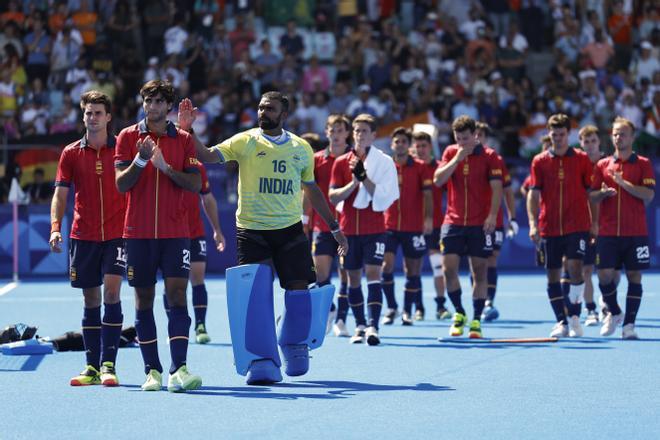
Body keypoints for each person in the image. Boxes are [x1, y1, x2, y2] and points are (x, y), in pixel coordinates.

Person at [186, 91, 348, 385]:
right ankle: (262, 359)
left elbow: (313, 191)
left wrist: (335, 228)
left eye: (269, 109)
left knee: (299, 292)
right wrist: (188, 130)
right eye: (260, 107)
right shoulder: (245, 141)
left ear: (283, 114)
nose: (263, 112)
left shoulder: (301, 148)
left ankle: (293, 343)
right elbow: (206, 155)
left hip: (289, 230)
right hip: (252, 230)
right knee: (257, 296)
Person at [114, 79, 203, 393]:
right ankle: (152, 370)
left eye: (158, 102)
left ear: (169, 106)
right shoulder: (127, 136)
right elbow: (121, 185)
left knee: (178, 297)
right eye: (147, 101)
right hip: (137, 234)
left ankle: (179, 369)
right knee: (143, 301)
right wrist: (141, 160)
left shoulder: (184, 139)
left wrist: (164, 167)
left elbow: (195, 185)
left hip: (176, 233)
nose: (151, 107)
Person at [49, 90, 126, 387]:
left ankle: (109, 365)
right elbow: (60, 194)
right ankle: (91, 366)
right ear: (83, 116)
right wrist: (56, 226)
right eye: (88, 113)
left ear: (108, 117)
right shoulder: (70, 153)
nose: (92, 118)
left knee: (111, 294)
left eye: (97, 113)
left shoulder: (122, 148)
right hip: (83, 234)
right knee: (90, 298)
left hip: (119, 234)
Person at [329, 113, 399, 345]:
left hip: (375, 228)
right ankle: (359, 325)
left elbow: (385, 196)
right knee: (352, 278)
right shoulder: (341, 162)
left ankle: (373, 327)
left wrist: (364, 177)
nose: (359, 135)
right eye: (356, 130)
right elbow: (332, 195)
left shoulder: (385, 162)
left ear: (374, 136)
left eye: (364, 131)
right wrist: (354, 183)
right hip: (348, 230)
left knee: (373, 274)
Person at [433, 115, 503, 339]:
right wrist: (457, 158)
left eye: (466, 138)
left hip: (479, 223)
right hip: (452, 222)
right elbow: (438, 180)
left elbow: (497, 188)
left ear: (475, 135)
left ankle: (475, 320)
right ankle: (459, 313)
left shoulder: (490, 156)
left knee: (479, 272)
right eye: (458, 138)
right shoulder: (450, 153)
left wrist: (492, 216)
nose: (462, 142)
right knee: (448, 269)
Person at [527, 113, 594, 338]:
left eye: (562, 134)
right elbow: (533, 195)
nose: (557, 138)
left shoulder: (582, 159)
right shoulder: (539, 161)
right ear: (549, 134)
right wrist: (532, 224)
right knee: (552, 275)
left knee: (576, 268)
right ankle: (561, 321)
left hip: (578, 225)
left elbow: (591, 193)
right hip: (549, 227)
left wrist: (594, 223)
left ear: (569, 134)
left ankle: (575, 316)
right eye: (554, 134)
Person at [590, 117, 655, 339]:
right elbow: (591, 196)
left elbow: (648, 195)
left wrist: (623, 184)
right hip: (608, 232)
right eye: (616, 133)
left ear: (632, 137)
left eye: (623, 133)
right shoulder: (602, 164)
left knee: (635, 276)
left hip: (635, 232)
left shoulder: (643, 163)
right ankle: (615, 312)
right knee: (604, 277)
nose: (619, 137)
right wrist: (603, 193)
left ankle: (629, 326)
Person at [163, 163, 226, 344]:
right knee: (172, 282)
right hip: (169, 234)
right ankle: (173, 328)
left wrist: (217, 230)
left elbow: (208, 198)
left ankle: (200, 325)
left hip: (194, 233)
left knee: (198, 277)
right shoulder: (161, 163)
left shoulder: (197, 167)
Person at [303, 114, 352, 337]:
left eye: (340, 129)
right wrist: (304, 219)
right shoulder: (315, 159)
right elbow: (308, 191)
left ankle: (341, 319)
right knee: (320, 275)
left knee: (347, 276)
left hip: (349, 227)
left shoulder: (355, 159)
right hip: (322, 227)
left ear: (347, 133)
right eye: (332, 129)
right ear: (326, 132)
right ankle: (329, 310)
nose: (336, 133)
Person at [380, 127, 432, 326]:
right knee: (386, 266)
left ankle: (407, 311)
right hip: (388, 225)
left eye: (403, 141)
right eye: (397, 141)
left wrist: (427, 219)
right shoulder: (385, 166)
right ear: (392, 144)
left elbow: (428, 195)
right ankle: (392, 307)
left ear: (408, 145)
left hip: (413, 227)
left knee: (413, 271)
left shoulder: (420, 167)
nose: (400, 144)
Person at [475, 122, 518, 322]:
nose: (477, 138)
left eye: (480, 134)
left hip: (494, 219)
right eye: (473, 134)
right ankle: (478, 300)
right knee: (477, 262)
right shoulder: (460, 156)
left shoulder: (495, 159)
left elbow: (507, 189)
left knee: (490, 259)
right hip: (470, 221)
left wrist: (513, 217)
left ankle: (488, 302)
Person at [410, 131, 452, 320]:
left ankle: (441, 306)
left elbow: (452, 192)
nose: (420, 150)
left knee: (437, 266)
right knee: (414, 268)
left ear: (430, 147)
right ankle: (418, 307)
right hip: (412, 227)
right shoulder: (407, 167)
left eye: (424, 146)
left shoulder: (439, 168)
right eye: (417, 146)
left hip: (436, 225)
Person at [575, 125, 603, 326]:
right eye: (586, 142)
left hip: (610, 224)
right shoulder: (575, 164)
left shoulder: (609, 163)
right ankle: (591, 308)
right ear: (581, 144)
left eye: (593, 141)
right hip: (583, 224)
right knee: (586, 270)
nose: (590, 145)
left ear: (599, 142)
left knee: (610, 272)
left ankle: (606, 300)